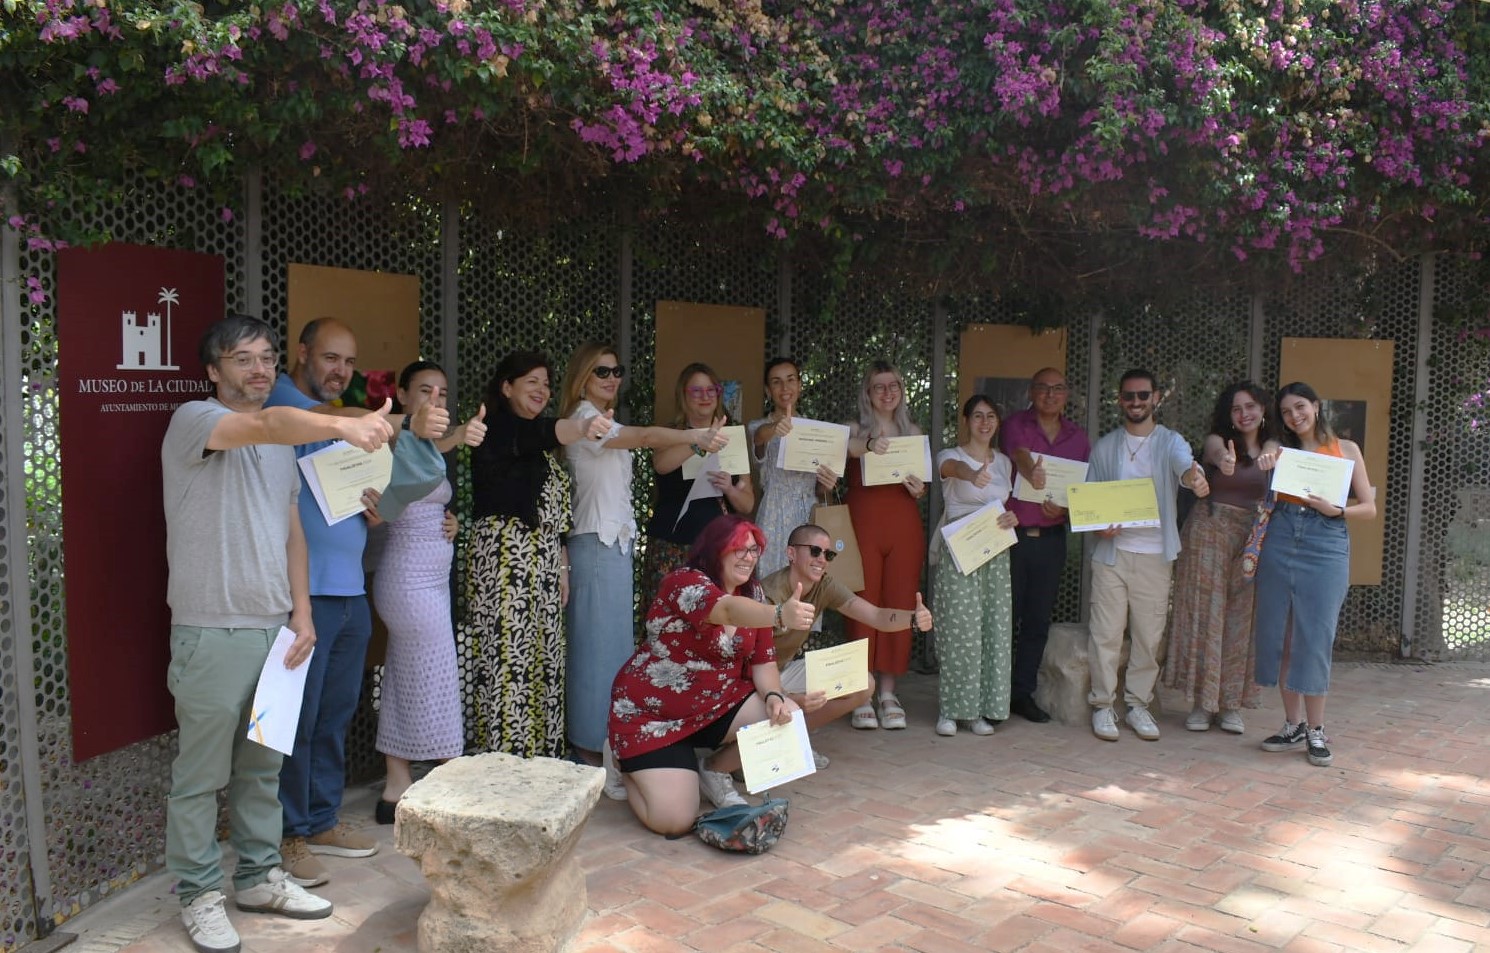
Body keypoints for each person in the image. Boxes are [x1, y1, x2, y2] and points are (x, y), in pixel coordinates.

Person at [162, 313, 393, 953]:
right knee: (200, 777)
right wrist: (345, 422)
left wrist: (302, 611)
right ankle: (199, 895)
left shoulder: (281, 443)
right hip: (211, 630)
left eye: (265, 358)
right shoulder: (196, 421)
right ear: (213, 370)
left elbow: (291, 525)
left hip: (277, 630)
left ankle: (260, 878)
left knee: (262, 770)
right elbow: (265, 422)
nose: (258, 369)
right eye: (242, 359)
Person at [263, 317, 443, 886]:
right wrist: (393, 420)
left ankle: (319, 820)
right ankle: (285, 836)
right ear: (301, 353)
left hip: (349, 589)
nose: (339, 370)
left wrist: (380, 504)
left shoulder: (346, 416)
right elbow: (328, 420)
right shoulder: (284, 399)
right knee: (291, 720)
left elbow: (375, 496)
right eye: (330, 357)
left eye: (349, 361)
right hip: (300, 594)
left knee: (334, 715)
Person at [557, 342, 728, 772]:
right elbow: (649, 439)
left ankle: (608, 741)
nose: (612, 378)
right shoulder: (584, 419)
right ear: (583, 377)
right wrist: (695, 436)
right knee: (596, 649)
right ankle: (590, 745)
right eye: (602, 372)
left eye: (617, 370)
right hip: (594, 541)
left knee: (613, 648)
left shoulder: (603, 420)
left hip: (613, 543)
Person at [608, 515, 814, 835]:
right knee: (674, 821)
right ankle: (624, 760)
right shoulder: (685, 582)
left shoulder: (755, 594)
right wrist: (778, 614)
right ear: (716, 549)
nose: (748, 557)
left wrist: (775, 696)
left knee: (788, 712)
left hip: (715, 704)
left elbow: (763, 663)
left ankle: (712, 768)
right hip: (652, 715)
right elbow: (727, 610)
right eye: (739, 549)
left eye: (754, 550)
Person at [466, 350, 615, 760]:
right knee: (507, 657)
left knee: (544, 655)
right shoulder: (495, 427)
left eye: (546, 383)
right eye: (531, 381)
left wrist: (562, 564)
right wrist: (584, 426)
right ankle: (504, 761)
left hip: (545, 560)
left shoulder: (543, 447)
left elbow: (557, 513)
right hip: (504, 558)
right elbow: (545, 432)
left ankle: (542, 757)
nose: (542, 389)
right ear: (506, 386)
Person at [368, 360, 487, 824]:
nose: (434, 400)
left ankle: (395, 782)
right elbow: (384, 508)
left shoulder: (425, 446)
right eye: (424, 391)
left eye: (441, 393)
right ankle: (448, 773)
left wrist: (451, 524)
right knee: (439, 670)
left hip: (430, 580)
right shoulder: (388, 438)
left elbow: (439, 447)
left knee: (401, 675)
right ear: (401, 396)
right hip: (406, 580)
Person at [1254, 382, 1376, 767]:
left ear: (1317, 406)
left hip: (1326, 539)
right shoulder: (1280, 447)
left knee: (1316, 637)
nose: (1295, 416)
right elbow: (1266, 454)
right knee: (1283, 633)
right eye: (1288, 411)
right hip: (1283, 534)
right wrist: (1267, 458)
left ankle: (1317, 730)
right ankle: (1293, 724)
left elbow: (1369, 508)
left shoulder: (1347, 449)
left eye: (1301, 407)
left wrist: (1336, 510)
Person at [1086, 369, 1210, 743]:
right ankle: (1103, 706)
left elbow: (1185, 466)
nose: (1136, 402)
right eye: (1129, 396)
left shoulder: (1170, 441)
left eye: (1143, 395)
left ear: (1156, 397)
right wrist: (1098, 527)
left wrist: (1194, 478)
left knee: (1148, 637)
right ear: (1119, 400)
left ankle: (1138, 704)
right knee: (1104, 634)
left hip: (1155, 555)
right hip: (1113, 554)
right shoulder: (1106, 446)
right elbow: (1091, 500)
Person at [758, 523, 934, 758]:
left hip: (784, 669)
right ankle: (744, 754)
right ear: (791, 553)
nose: (822, 559)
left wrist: (913, 619)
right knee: (753, 757)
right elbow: (752, 660)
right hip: (755, 677)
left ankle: (793, 737)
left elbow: (875, 615)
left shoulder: (824, 585)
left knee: (863, 681)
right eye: (814, 551)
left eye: (828, 554)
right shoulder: (769, 593)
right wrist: (785, 695)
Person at [1163, 382, 1277, 734]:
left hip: (1252, 538)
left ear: (1263, 409)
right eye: (1236, 408)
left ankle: (1230, 704)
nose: (1244, 414)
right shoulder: (1219, 441)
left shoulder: (1275, 446)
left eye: (1251, 406)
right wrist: (1224, 460)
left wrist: (1273, 453)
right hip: (1209, 530)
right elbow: (1214, 452)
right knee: (1205, 616)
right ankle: (1201, 703)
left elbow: (1275, 452)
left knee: (1242, 619)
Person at [1000, 367, 1091, 723]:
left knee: (1037, 621)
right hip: (1013, 539)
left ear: (1067, 394)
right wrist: (1029, 471)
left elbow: (1080, 490)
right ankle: (994, 692)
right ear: (1032, 391)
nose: (1050, 394)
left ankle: (1021, 694)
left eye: (1058, 389)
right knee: (1005, 619)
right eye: (1043, 388)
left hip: (1052, 540)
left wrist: (1066, 508)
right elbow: (1019, 452)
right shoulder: (1015, 424)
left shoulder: (1078, 438)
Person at [843, 360, 927, 730]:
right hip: (863, 521)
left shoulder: (913, 431)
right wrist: (869, 445)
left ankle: (889, 690)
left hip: (903, 522)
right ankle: (861, 690)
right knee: (862, 601)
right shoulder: (853, 429)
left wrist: (920, 489)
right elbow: (844, 451)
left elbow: (921, 484)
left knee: (899, 600)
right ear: (867, 392)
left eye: (893, 385)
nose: (887, 392)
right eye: (879, 386)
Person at [932, 395, 1020, 736]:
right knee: (960, 630)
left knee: (992, 629)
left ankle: (982, 710)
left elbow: (1002, 506)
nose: (985, 422)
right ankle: (951, 710)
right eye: (978, 416)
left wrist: (1011, 517)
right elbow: (954, 471)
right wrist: (972, 474)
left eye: (991, 416)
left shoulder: (1006, 463)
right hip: (961, 549)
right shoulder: (949, 456)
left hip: (996, 551)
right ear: (966, 420)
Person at [643, 363, 754, 599]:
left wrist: (730, 490)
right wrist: (698, 443)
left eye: (710, 390)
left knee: (713, 622)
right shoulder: (672, 433)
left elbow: (747, 504)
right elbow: (661, 464)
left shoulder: (732, 437)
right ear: (683, 396)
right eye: (696, 391)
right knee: (667, 621)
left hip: (717, 548)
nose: (705, 396)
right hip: (671, 544)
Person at [748, 357, 837, 578]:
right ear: (768, 390)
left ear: (800, 385)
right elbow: (759, 438)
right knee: (771, 580)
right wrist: (776, 427)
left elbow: (820, 489)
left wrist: (827, 484)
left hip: (809, 512)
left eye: (790, 380)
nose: (785, 388)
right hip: (774, 513)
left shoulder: (815, 431)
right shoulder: (758, 426)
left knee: (810, 580)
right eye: (776, 382)